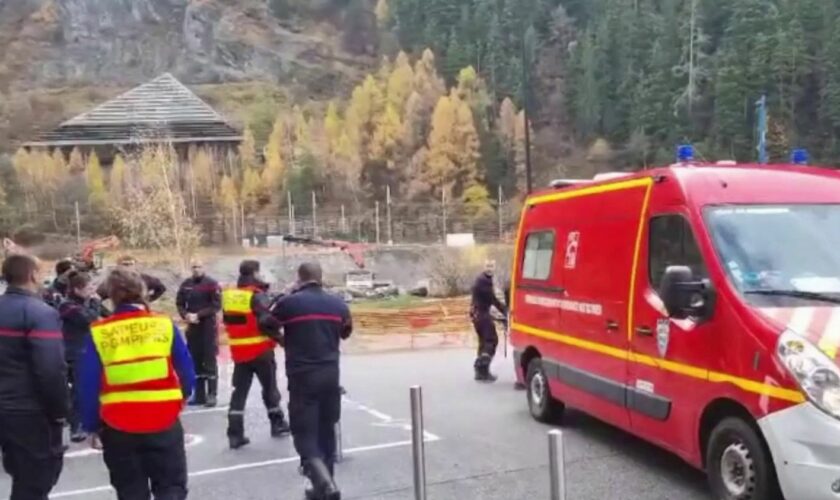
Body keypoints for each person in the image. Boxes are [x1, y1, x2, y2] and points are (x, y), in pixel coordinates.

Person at [77, 268, 195, 500]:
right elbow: (187, 373)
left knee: (130, 491)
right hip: (163, 420)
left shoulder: (99, 332)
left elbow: (88, 385)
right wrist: (179, 401)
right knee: (171, 488)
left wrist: (92, 426)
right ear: (142, 291)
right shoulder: (163, 324)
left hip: (118, 426)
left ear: (111, 295)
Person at [264, 262, 351, 500]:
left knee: (304, 434)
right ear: (321, 278)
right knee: (326, 432)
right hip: (330, 374)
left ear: (299, 279)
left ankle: (326, 484)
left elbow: (265, 322)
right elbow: (345, 332)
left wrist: (281, 339)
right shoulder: (338, 304)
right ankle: (322, 485)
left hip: (303, 376)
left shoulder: (289, 303)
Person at [0, 254, 69, 500]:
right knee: (35, 480)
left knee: (21, 474)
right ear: (32, 275)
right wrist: (60, 409)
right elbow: (50, 369)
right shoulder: (40, 313)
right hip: (28, 411)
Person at [223, 260, 290, 449]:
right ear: (255, 272)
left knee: (239, 393)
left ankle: (235, 434)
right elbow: (266, 321)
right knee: (269, 389)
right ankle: (277, 424)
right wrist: (280, 337)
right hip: (260, 350)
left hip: (238, 352)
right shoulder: (256, 295)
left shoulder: (229, 295)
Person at [58, 271, 110, 443]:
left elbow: (108, 316)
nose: (92, 290)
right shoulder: (67, 306)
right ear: (77, 290)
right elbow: (90, 319)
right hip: (74, 352)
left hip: (90, 350)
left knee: (94, 387)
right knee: (79, 390)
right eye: (89, 288)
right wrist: (95, 302)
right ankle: (76, 426)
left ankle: (97, 423)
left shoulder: (89, 303)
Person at [176, 259, 222, 407]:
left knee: (209, 359)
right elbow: (179, 303)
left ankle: (212, 394)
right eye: (194, 267)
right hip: (192, 327)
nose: (196, 269)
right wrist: (186, 315)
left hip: (207, 326)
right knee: (194, 360)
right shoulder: (186, 284)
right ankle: (199, 394)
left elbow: (216, 305)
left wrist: (199, 315)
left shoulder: (211, 284)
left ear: (204, 267)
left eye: (199, 267)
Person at [471, 260, 507, 382]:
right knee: (491, 340)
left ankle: (479, 372)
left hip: (477, 314)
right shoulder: (484, 281)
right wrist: (504, 311)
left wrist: (500, 314)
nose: (489, 268)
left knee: (483, 342)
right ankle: (483, 370)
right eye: (487, 266)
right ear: (483, 267)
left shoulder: (482, 279)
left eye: (491, 266)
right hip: (481, 314)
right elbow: (492, 299)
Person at [97, 255, 166, 304]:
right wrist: (107, 315)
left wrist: (149, 299)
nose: (128, 267)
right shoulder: (111, 282)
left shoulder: (145, 278)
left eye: (131, 264)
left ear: (135, 265)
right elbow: (97, 298)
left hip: (141, 311)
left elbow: (161, 288)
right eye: (125, 264)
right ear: (118, 266)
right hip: (121, 313)